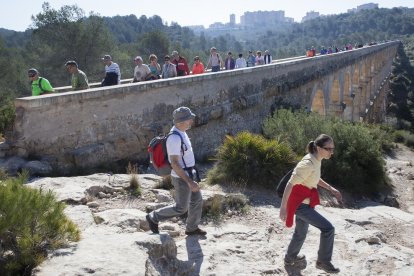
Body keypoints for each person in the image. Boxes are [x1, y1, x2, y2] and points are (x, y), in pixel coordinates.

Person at [279, 134, 342, 274]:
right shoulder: (307, 163)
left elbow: (315, 178)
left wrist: (331, 188)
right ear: (319, 148)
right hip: (299, 204)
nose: (331, 152)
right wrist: (283, 208)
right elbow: (290, 184)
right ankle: (323, 261)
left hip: (305, 203)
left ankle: (289, 259)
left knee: (300, 233)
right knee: (328, 229)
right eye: (328, 149)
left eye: (333, 149)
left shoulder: (317, 160)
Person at [146, 106, 206, 236]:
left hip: (190, 174)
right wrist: (190, 182)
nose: (191, 121)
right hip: (181, 178)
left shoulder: (182, 132)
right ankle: (153, 217)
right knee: (181, 208)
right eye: (189, 119)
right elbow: (174, 163)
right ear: (180, 122)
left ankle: (192, 228)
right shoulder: (174, 139)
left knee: (196, 201)